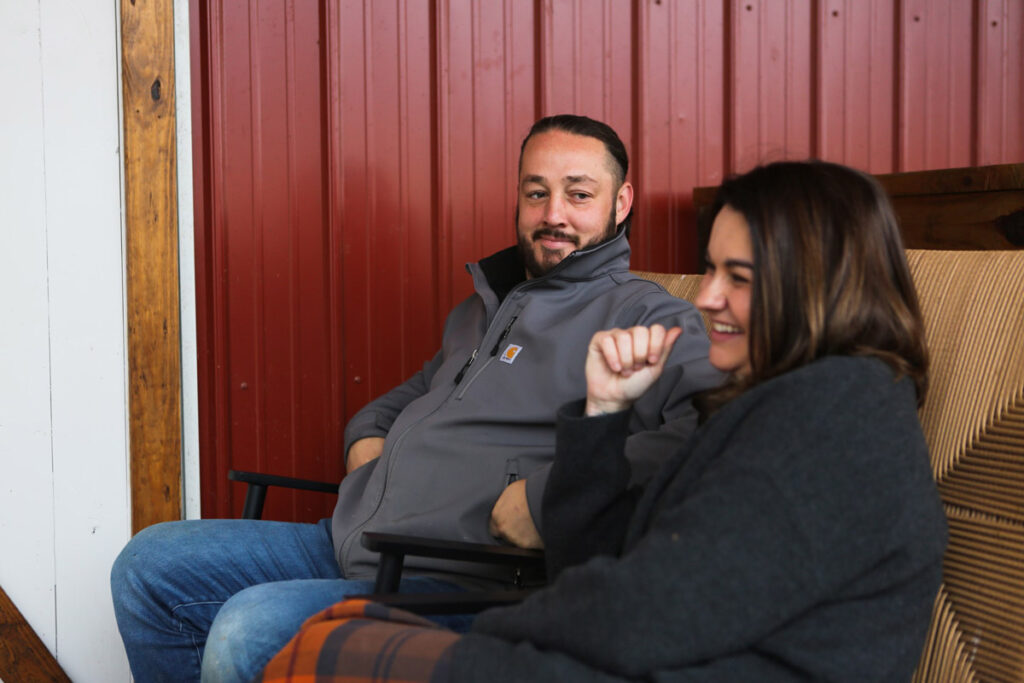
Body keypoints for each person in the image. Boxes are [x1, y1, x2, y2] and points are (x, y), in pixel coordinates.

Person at [257, 159, 949, 682]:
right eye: (710, 269)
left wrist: (494, 635)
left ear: (820, 283)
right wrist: (603, 412)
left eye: (738, 276)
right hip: (653, 654)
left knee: (326, 651)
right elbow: (588, 561)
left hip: (676, 660)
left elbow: (660, 609)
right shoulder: (777, 397)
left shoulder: (836, 415)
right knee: (342, 632)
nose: (706, 298)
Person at [110, 114, 722, 682]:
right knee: (150, 564)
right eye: (536, 192)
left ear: (621, 202)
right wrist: (366, 441)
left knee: (251, 627)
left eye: (578, 193)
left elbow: (706, 432)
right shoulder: (484, 311)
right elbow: (400, 400)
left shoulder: (648, 316)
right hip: (356, 539)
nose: (553, 213)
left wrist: (546, 497)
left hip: (457, 577)